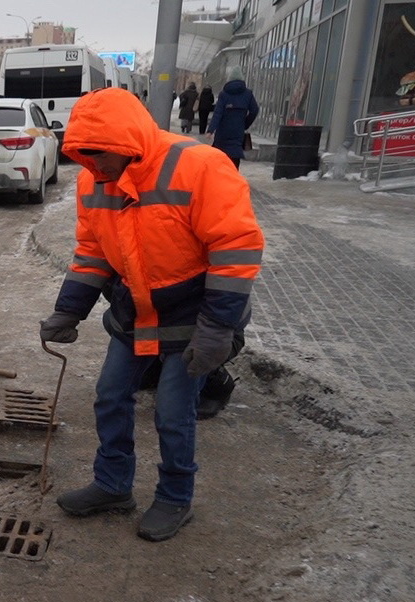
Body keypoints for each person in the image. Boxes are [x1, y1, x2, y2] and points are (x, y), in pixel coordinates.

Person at [39, 87, 264, 542]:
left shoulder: (200, 166)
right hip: (136, 311)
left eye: (100, 154)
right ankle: (113, 485)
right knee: (110, 395)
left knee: (173, 411)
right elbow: (92, 251)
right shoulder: (93, 180)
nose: (94, 166)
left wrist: (217, 329)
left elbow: (235, 249)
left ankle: (175, 497)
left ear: (126, 143)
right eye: (83, 156)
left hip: (194, 315)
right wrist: (69, 310)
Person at [207, 66, 259, 169]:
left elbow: (218, 113)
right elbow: (254, 110)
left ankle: (220, 176)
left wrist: (211, 130)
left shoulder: (224, 94)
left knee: (220, 157)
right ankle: (232, 175)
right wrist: (245, 123)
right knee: (234, 158)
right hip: (238, 131)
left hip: (223, 132)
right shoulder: (248, 94)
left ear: (229, 79)